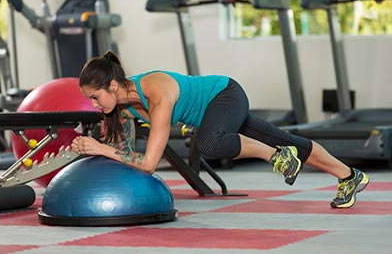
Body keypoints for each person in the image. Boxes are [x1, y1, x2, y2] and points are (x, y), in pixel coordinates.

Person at [70, 51, 370, 208]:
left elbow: (148, 164)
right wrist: (93, 148)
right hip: (213, 115)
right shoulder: (121, 108)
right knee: (285, 139)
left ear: (112, 85)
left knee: (208, 144)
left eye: (95, 97)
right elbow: (122, 152)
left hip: (225, 94)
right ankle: (349, 175)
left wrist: (99, 148)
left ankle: (275, 155)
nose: (94, 104)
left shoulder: (156, 92)